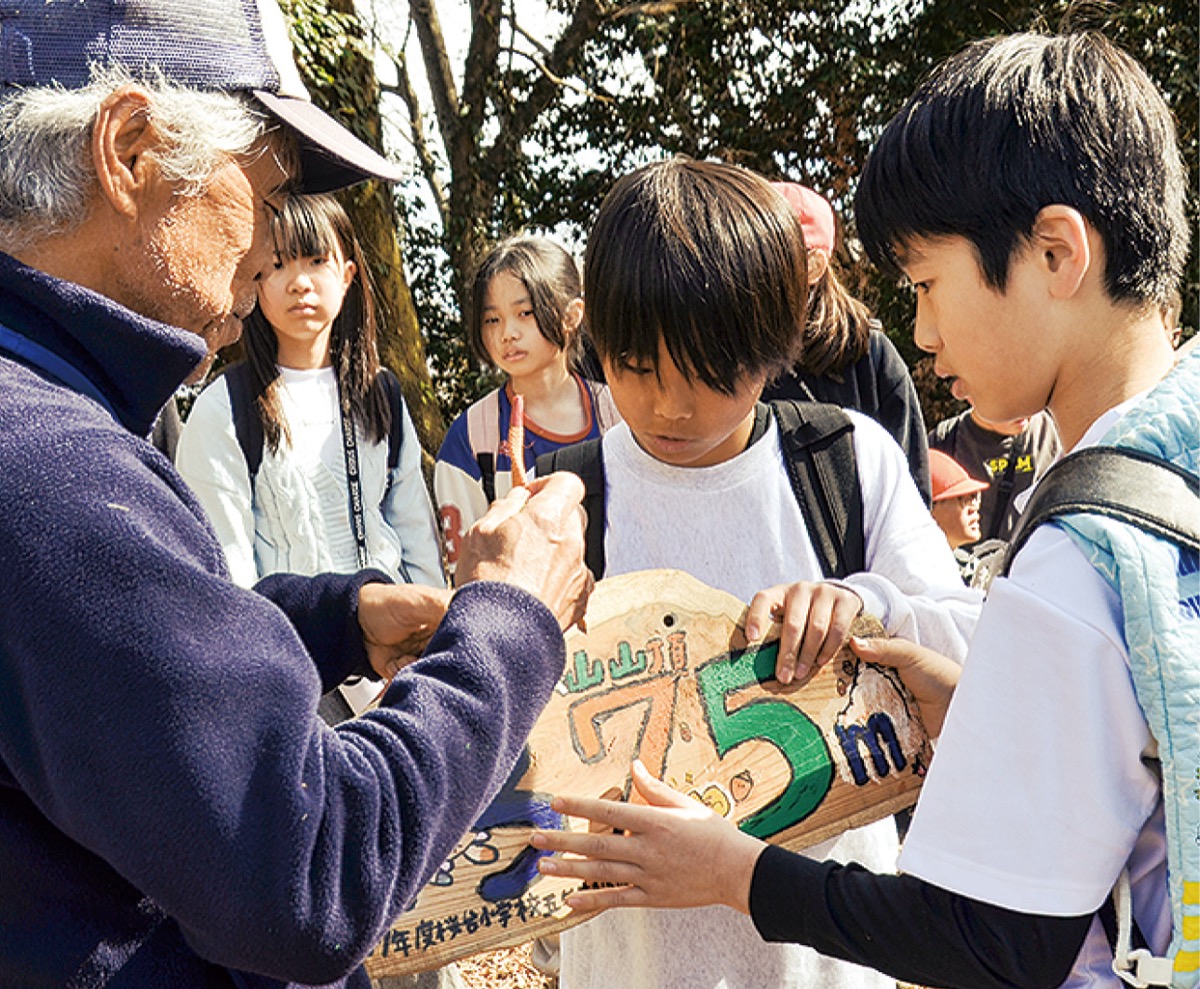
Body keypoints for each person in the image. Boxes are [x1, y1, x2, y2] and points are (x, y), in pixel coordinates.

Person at [531, 30, 1192, 989]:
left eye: (926, 284)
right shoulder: (566, 498)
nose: (919, 331)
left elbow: (998, 938)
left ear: (1056, 252)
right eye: (635, 368)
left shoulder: (1059, 543)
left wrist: (739, 870)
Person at [0, 3, 591, 987]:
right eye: (269, 194)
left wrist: (337, 619)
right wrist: (510, 619)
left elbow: (117, 680)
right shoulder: (53, 471)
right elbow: (312, 868)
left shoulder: (46, 422)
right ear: (132, 151)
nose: (271, 251)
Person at [549, 157, 980, 989]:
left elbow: (968, 645)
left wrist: (863, 604)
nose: (671, 405)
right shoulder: (567, 501)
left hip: (827, 960)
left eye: (710, 371)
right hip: (633, 965)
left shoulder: (846, 462)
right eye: (636, 365)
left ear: (774, 344)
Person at [176, 192, 444, 718]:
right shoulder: (225, 407)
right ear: (254, 280)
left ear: (347, 275)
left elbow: (415, 532)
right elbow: (228, 572)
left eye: (317, 260)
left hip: (400, 670)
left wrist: (433, 644)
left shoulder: (382, 394)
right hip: (296, 680)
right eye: (277, 265)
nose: (299, 282)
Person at [435, 235, 619, 579]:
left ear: (572, 315)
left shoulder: (618, 413)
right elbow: (464, 575)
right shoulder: (471, 439)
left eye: (524, 313)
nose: (508, 333)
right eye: (493, 319)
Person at [763, 181, 932, 504]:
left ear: (814, 266)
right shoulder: (732, 353)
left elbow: (911, 492)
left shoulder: (869, 355)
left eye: (767, 254)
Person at [928, 405, 1061, 542]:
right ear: (968, 396)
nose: (1023, 406)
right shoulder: (945, 439)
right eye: (1008, 396)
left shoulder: (1054, 429)